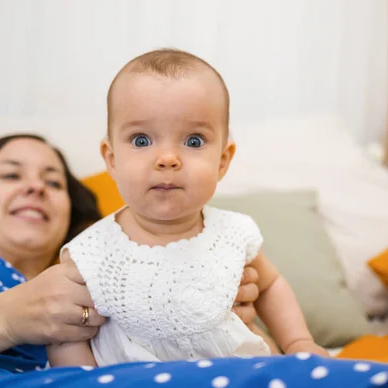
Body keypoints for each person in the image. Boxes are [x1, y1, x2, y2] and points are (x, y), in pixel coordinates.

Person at [0, 133, 263, 388]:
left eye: (53, 182)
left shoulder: (114, 275)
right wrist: (9, 317)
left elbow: (257, 364)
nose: (35, 187)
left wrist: (220, 320)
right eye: (11, 176)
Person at [48, 49, 329, 368]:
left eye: (193, 141)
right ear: (112, 159)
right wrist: (90, 387)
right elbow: (65, 336)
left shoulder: (234, 234)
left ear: (222, 161)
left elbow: (270, 285)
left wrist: (298, 341)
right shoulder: (90, 253)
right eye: (141, 140)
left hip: (237, 383)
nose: (167, 158)